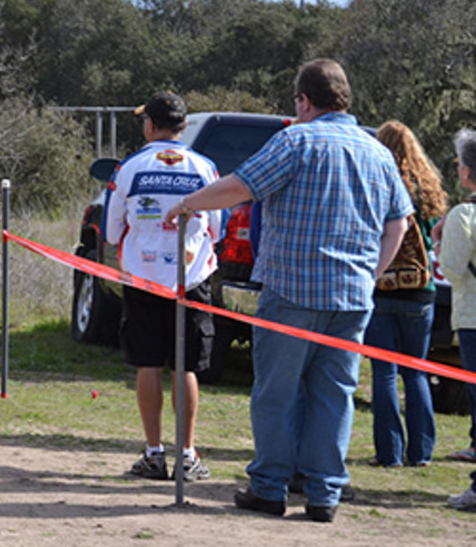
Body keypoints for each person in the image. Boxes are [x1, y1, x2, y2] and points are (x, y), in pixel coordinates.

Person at [164, 59, 411, 522]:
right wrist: (372, 273)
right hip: (352, 297)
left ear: (303, 100)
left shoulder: (296, 140)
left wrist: (186, 204)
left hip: (292, 290)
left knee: (276, 393)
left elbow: (240, 187)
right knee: (333, 395)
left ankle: (270, 487)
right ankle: (324, 495)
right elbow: (400, 221)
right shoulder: (377, 150)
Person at [104, 92, 221, 482]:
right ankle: (186, 454)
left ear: (150, 125)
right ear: (184, 127)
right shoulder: (206, 167)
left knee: (148, 364)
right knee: (186, 366)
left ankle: (154, 452)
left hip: (142, 278)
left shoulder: (129, 168)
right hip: (191, 278)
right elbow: (217, 229)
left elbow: (109, 230)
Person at [363, 121, 447, 468]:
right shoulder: (427, 187)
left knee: (383, 371)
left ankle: (390, 453)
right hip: (420, 291)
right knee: (416, 371)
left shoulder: (378, 182)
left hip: (382, 287)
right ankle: (422, 453)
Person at [438, 128, 476, 477]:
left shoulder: (464, 216)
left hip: (472, 317)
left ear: (466, 171)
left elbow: (451, 267)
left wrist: (439, 242)